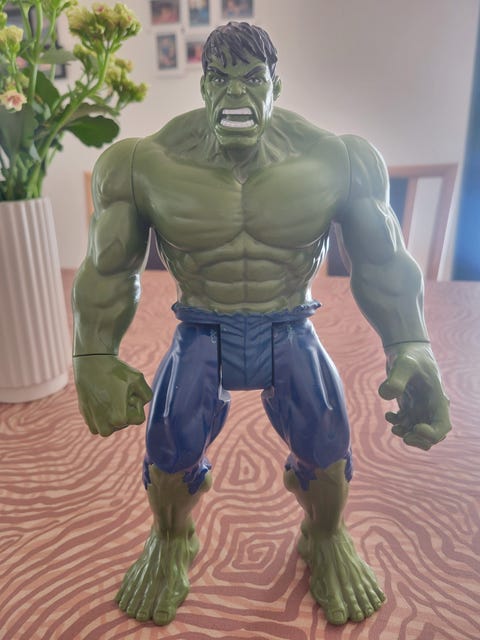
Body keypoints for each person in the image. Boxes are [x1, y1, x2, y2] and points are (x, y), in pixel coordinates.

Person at [72, 22, 451, 627]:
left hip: (288, 324)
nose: (235, 92)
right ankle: (171, 539)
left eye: (252, 78)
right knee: (168, 441)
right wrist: (93, 356)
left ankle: (324, 535)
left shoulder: (337, 160)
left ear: (276, 85)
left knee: (327, 436)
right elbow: (107, 268)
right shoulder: (142, 164)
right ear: (203, 87)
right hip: (202, 326)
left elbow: (383, 262)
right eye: (220, 78)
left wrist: (411, 344)